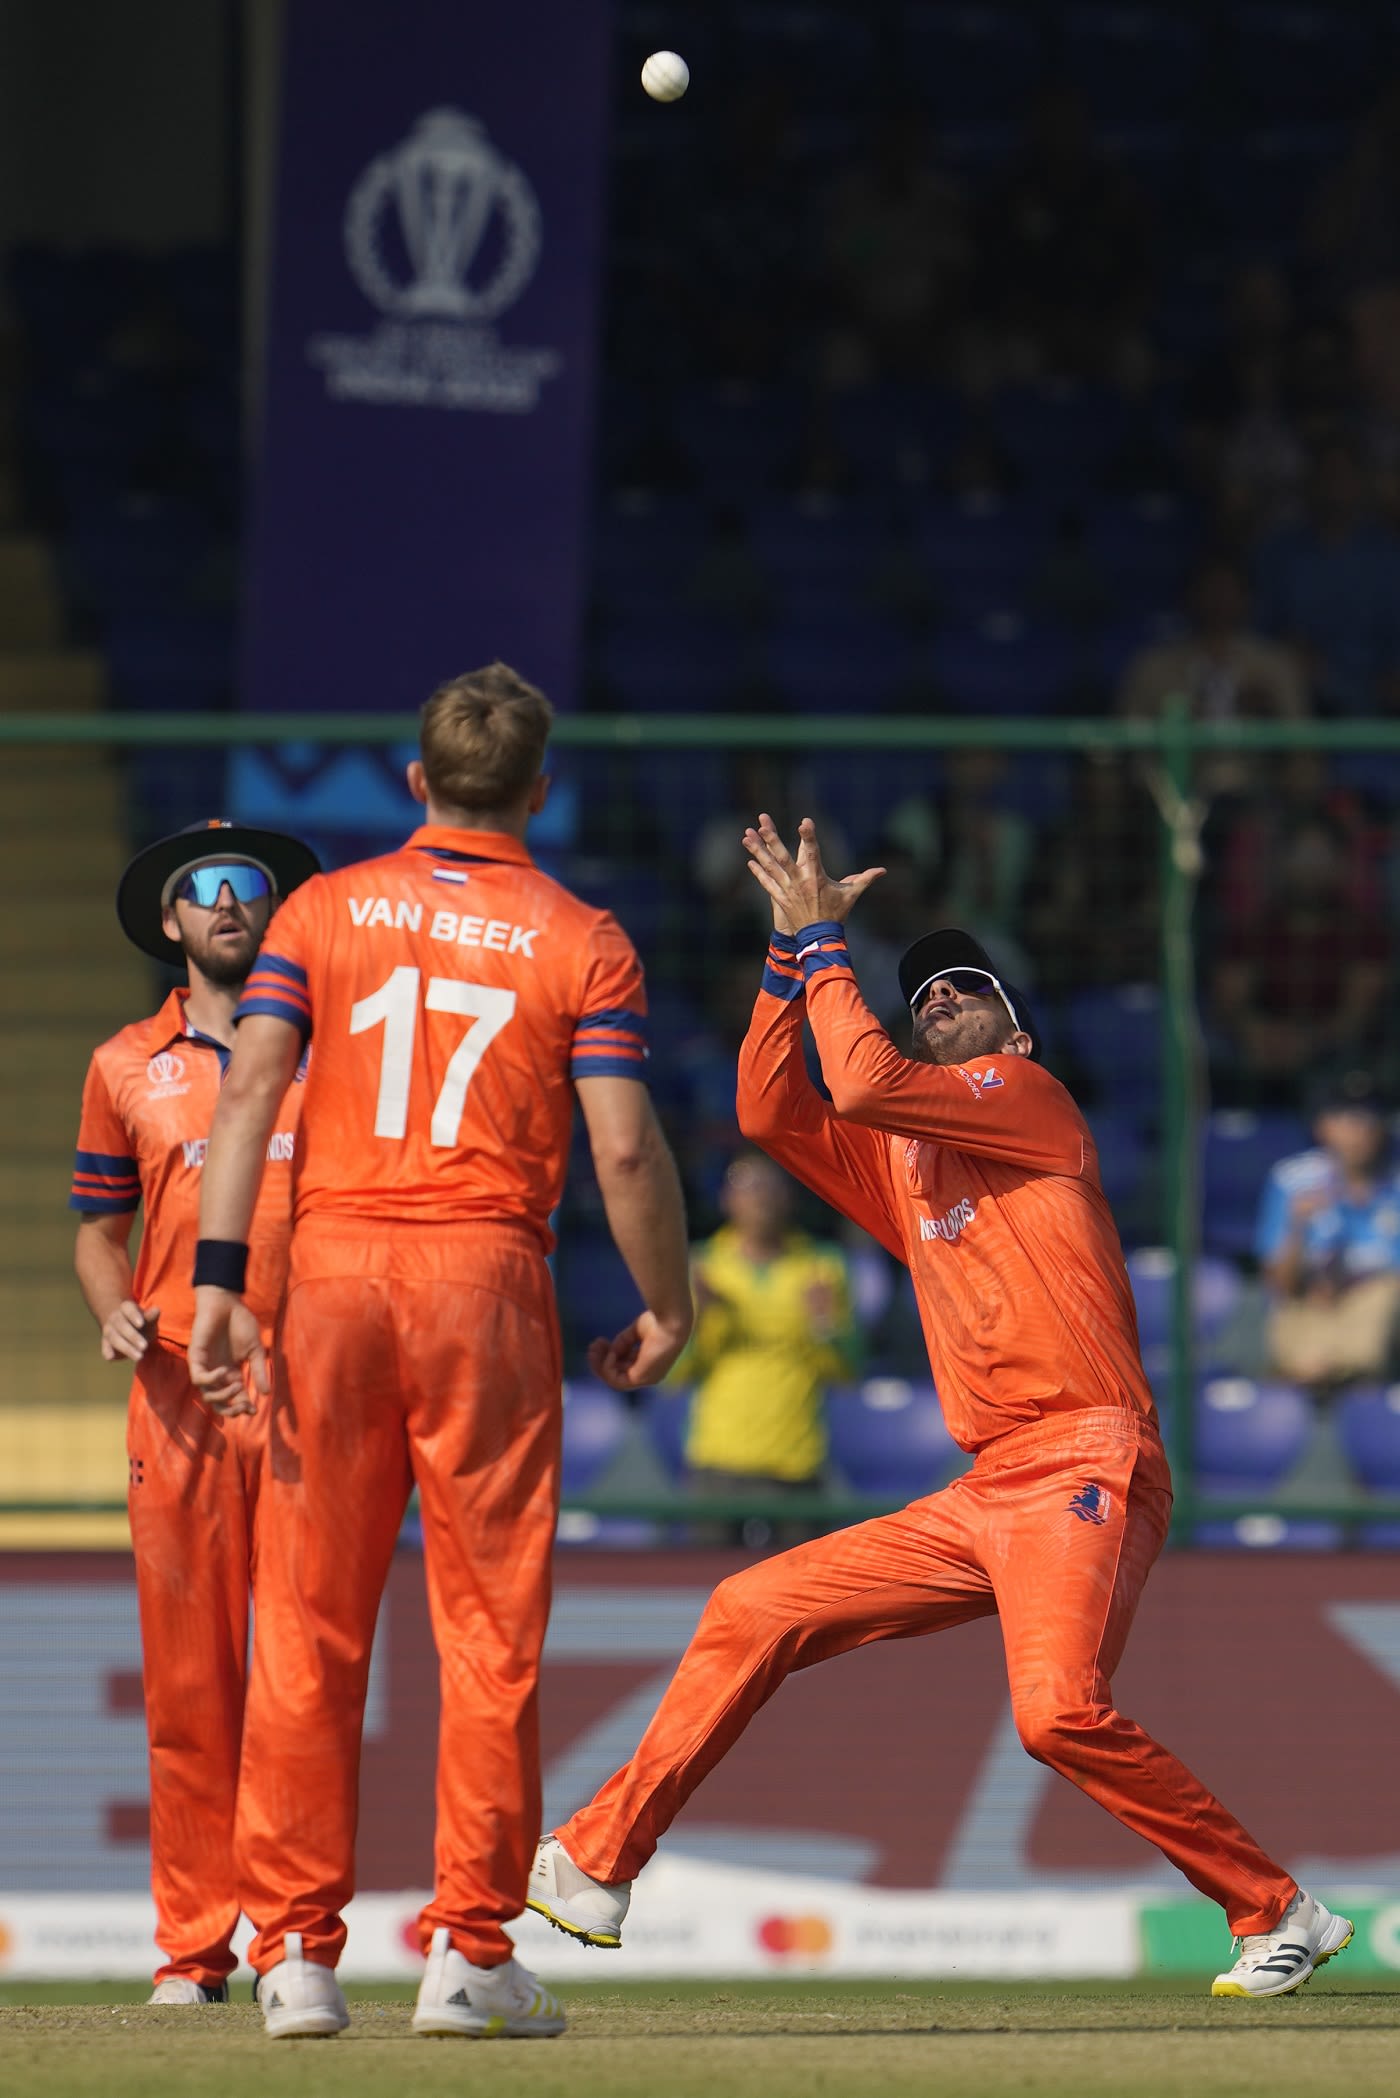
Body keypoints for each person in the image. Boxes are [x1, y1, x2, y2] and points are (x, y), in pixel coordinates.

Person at [525, 815, 1353, 2001]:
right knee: (750, 1604)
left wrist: (823, 944)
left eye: (964, 991)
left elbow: (857, 1075)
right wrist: (781, 956)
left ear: (1011, 1027)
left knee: (1056, 1711)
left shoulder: (1026, 1097)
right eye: (925, 997)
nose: (939, 1002)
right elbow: (773, 1114)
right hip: (985, 1486)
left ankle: (1276, 1909)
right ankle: (598, 1863)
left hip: (1086, 1451)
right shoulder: (911, 1167)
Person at [186, 663, 692, 2042]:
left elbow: (246, 1085)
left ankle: (294, 1952)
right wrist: (670, 1300)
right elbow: (626, 1144)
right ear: (539, 789)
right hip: (487, 1275)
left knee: (305, 1618)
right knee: (489, 1630)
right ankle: (469, 1952)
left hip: (335, 1271)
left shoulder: (320, 910)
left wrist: (222, 1278)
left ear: (415, 781)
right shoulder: (583, 937)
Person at [70, 818, 320, 2005]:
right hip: (174, 1402)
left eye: (249, 888)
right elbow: (94, 1229)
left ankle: (287, 1940)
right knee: (188, 1687)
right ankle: (192, 1949)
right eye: (205, 890)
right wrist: (114, 1304)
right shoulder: (124, 1061)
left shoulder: (341, 1056)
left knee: (296, 1683)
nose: (230, 902)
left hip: (310, 1400)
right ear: (172, 923)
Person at [666, 1149, 859, 1545]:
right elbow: (673, 1375)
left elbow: (848, 1372)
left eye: (771, 1187)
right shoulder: (701, 1267)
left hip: (796, 1461)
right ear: (726, 1198)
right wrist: (696, 1319)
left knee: (800, 1599)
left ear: (789, 1197)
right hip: (719, 1460)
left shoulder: (822, 1267)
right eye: (746, 1186)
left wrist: (826, 1325)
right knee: (705, 1590)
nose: (759, 1197)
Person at [1257, 1069, 1400, 1391]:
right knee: (1292, 1306)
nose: (1357, 1130)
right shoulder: (1293, 1180)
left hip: (1375, 1308)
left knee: (1385, 1296)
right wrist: (1298, 1226)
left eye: (1367, 1117)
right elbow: (1278, 1281)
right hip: (1312, 1301)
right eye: (1344, 1117)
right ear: (1322, 1125)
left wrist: (1354, 1283)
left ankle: (1334, 1373)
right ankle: (1320, 1373)